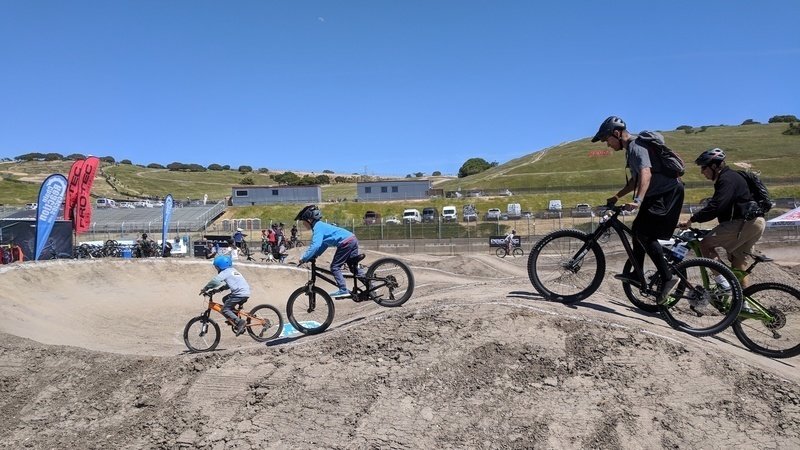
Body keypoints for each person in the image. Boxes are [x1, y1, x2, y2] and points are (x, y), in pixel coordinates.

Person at [592, 116, 685, 303]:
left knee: (645, 234)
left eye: (607, 139)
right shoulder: (630, 150)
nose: (607, 144)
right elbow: (635, 180)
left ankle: (668, 278)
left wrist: (637, 200)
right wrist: (617, 196)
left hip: (667, 193)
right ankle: (637, 273)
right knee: (637, 230)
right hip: (657, 193)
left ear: (616, 134)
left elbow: (645, 173)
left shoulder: (636, 146)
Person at [679, 148, 766, 288]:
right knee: (738, 264)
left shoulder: (726, 179)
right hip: (756, 222)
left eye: (703, 167)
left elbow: (716, 206)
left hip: (743, 222)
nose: (702, 172)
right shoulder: (734, 177)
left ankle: (724, 284)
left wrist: (692, 220)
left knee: (705, 245)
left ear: (714, 166)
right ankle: (742, 298)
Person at [295, 205, 365, 298]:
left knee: (335, 267)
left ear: (309, 220)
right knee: (353, 267)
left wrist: (304, 258)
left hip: (345, 243)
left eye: (304, 222)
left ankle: (343, 289)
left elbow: (315, 245)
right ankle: (370, 286)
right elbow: (324, 244)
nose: (303, 224)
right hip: (352, 239)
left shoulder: (317, 227)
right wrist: (315, 255)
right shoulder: (321, 226)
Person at [199, 255, 250, 336]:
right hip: (244, 293)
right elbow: (229, 285)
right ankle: (234, 317)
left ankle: (240, 322)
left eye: (217, 267)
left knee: (224, 310)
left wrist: (205, 288)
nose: (216, 269)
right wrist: (218, 290)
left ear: (221, 266)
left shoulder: (225, 272)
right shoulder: (233, 271)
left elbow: (215, 281)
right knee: (225, 299)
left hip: (239, 294)